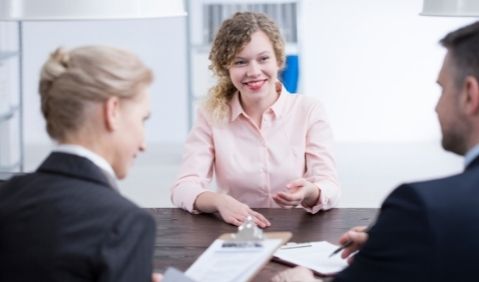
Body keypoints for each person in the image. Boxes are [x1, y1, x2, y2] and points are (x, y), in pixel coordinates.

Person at [272, 17, 479, 282]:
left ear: (469, 95)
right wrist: (401, 245)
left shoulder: (421, 208)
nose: (436, 107)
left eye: (443, 89)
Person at [0, 46, 163, 282]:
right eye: (142, 119)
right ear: (113, 111)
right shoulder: (125, 224)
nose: (143, 144)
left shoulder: (7, 195)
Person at [171, 11, 341, 228]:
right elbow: (183, 187)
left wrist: (311, 193)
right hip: (239, 233)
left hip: (299, 233)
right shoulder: (210, 115)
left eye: (263, 59)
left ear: (279, 60)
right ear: (226, 67)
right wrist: (218, 201)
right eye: (240, 62)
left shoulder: (308, 110)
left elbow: (331, 187)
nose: (254, 72)